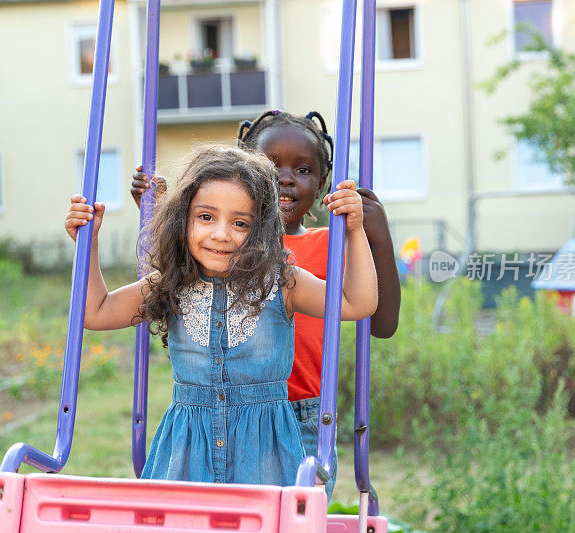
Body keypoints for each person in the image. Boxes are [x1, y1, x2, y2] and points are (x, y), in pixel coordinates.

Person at [67, 145, 378, 486]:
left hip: (266, 461)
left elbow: (356, 302)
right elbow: (95, 312)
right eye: (206, 217)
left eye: (240, 223)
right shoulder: (171, 282)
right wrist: (89, 244)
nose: (221, 234)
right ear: (181, 219)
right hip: (186, 459)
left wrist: (354, 231)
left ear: (261, 229)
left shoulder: (282, 281)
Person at [132, 110, 401, 497]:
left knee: (290, 512)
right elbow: (174, 268)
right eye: (270, 165)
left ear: (322, 182)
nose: (286, 178)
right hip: (219, 410)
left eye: (304, 170)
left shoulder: (331, 245)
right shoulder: (220, 247)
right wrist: (156, 210)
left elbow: (380, 321)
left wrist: (375, 237)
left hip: (302, 412)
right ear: (245, 172)